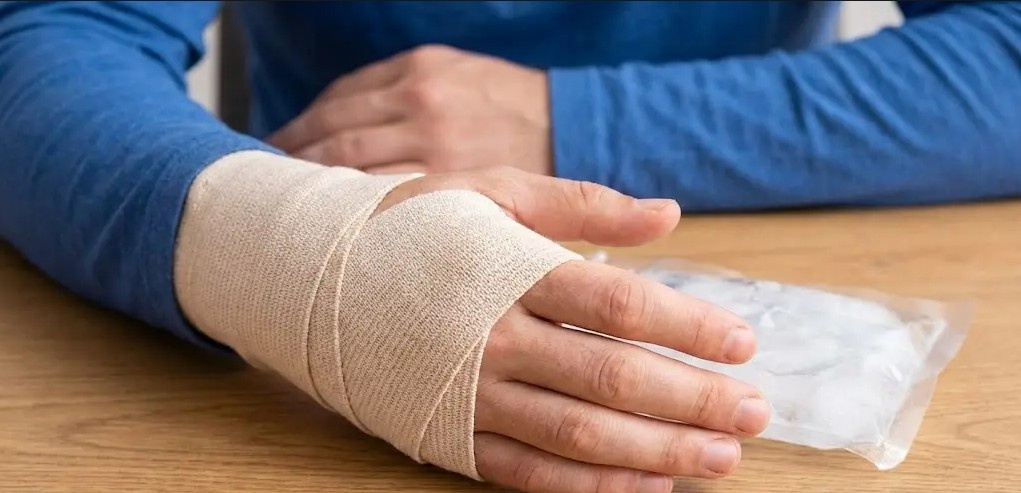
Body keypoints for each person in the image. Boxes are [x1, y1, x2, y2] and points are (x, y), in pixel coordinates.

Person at [0, 2, 1017, 492]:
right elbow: (43, 41)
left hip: (772, 276)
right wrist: (308, 261)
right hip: (311, 320)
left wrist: (571, 120)